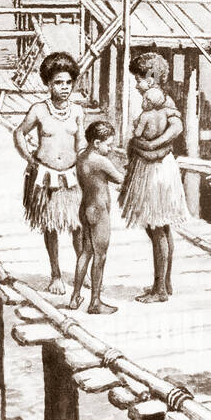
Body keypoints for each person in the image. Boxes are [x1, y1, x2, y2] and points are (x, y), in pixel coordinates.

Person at [13, 52, 86, 295]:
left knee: (77, 226)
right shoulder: (39, 110)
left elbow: (81, 143)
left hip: (71, 176)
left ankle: (81, 269)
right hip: (46, 176)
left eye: (68, 83)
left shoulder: (77, 111)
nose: (64, 88)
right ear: (48, 84)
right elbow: (19, 133)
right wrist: (29, 158)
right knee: (50, 227)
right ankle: (55, 275)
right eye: (58, 83)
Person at [119, 52, 188, 303]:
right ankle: (165, 283)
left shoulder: (163, 102)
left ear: (152, 77)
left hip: (157, 170)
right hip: (153, 166)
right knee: (160, 227)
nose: (136, 84)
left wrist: (150, 146)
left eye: (139, 79)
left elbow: (177, 127)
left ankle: (160, 289)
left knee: (157, 226)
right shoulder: (154, 100)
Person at [70, 120, 126, 314]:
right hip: (99, 211)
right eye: (108, 144)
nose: (110, 148)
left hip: (85, 208)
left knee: (85, 253)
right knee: (100, 257)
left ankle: (75, 296)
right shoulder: (100, 161)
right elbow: (120, 179)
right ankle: (95, 302)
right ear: (96, 142)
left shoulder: (82, 157)